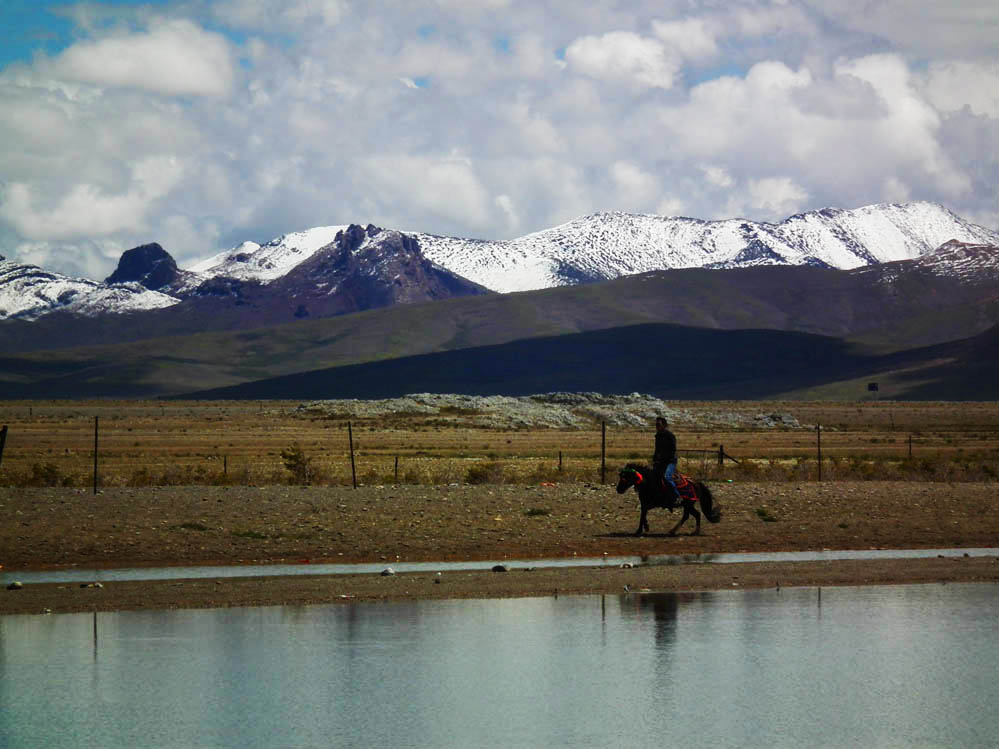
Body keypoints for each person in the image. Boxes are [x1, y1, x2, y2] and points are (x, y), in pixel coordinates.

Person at [652, 416, 680, 502]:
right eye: (656, 425)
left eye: (659, 424)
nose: (657, 426)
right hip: (660, 462)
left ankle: (677, 496)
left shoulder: (670, 435)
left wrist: (665, 458)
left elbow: (673, 449)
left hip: (670, 461)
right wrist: (655, 458)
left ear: (664, 425)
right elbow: (657, 449)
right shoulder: (657, 436)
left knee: (667, 477)